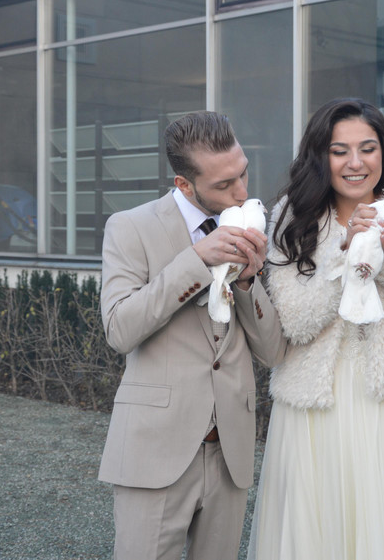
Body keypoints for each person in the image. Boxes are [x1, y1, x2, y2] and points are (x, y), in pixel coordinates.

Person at [247, 97, 384, 560]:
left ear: (383, 150)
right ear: (319, 156)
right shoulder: (292, 213)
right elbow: (296, 322)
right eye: (339, 150)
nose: (355, 162)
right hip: (314, 408)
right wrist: (346, 253)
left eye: (367, 148)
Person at [98, 111, 287, 560]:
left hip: (230, 454)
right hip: (154, 450)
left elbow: (273, 352)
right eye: (224, 185)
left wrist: (248, 283)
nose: (241, 192)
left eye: (243, 174)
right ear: (184, 184)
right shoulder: (129, 227)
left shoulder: (254, 226)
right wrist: (196, 261)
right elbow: (119, 329)